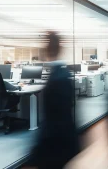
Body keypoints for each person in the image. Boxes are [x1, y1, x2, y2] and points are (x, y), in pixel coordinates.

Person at [31, 31, 79, 168]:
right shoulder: (62, 73)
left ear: (47, 48)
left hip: (55, 144)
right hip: (58, 142)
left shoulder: (59, 77)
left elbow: (59, 117)